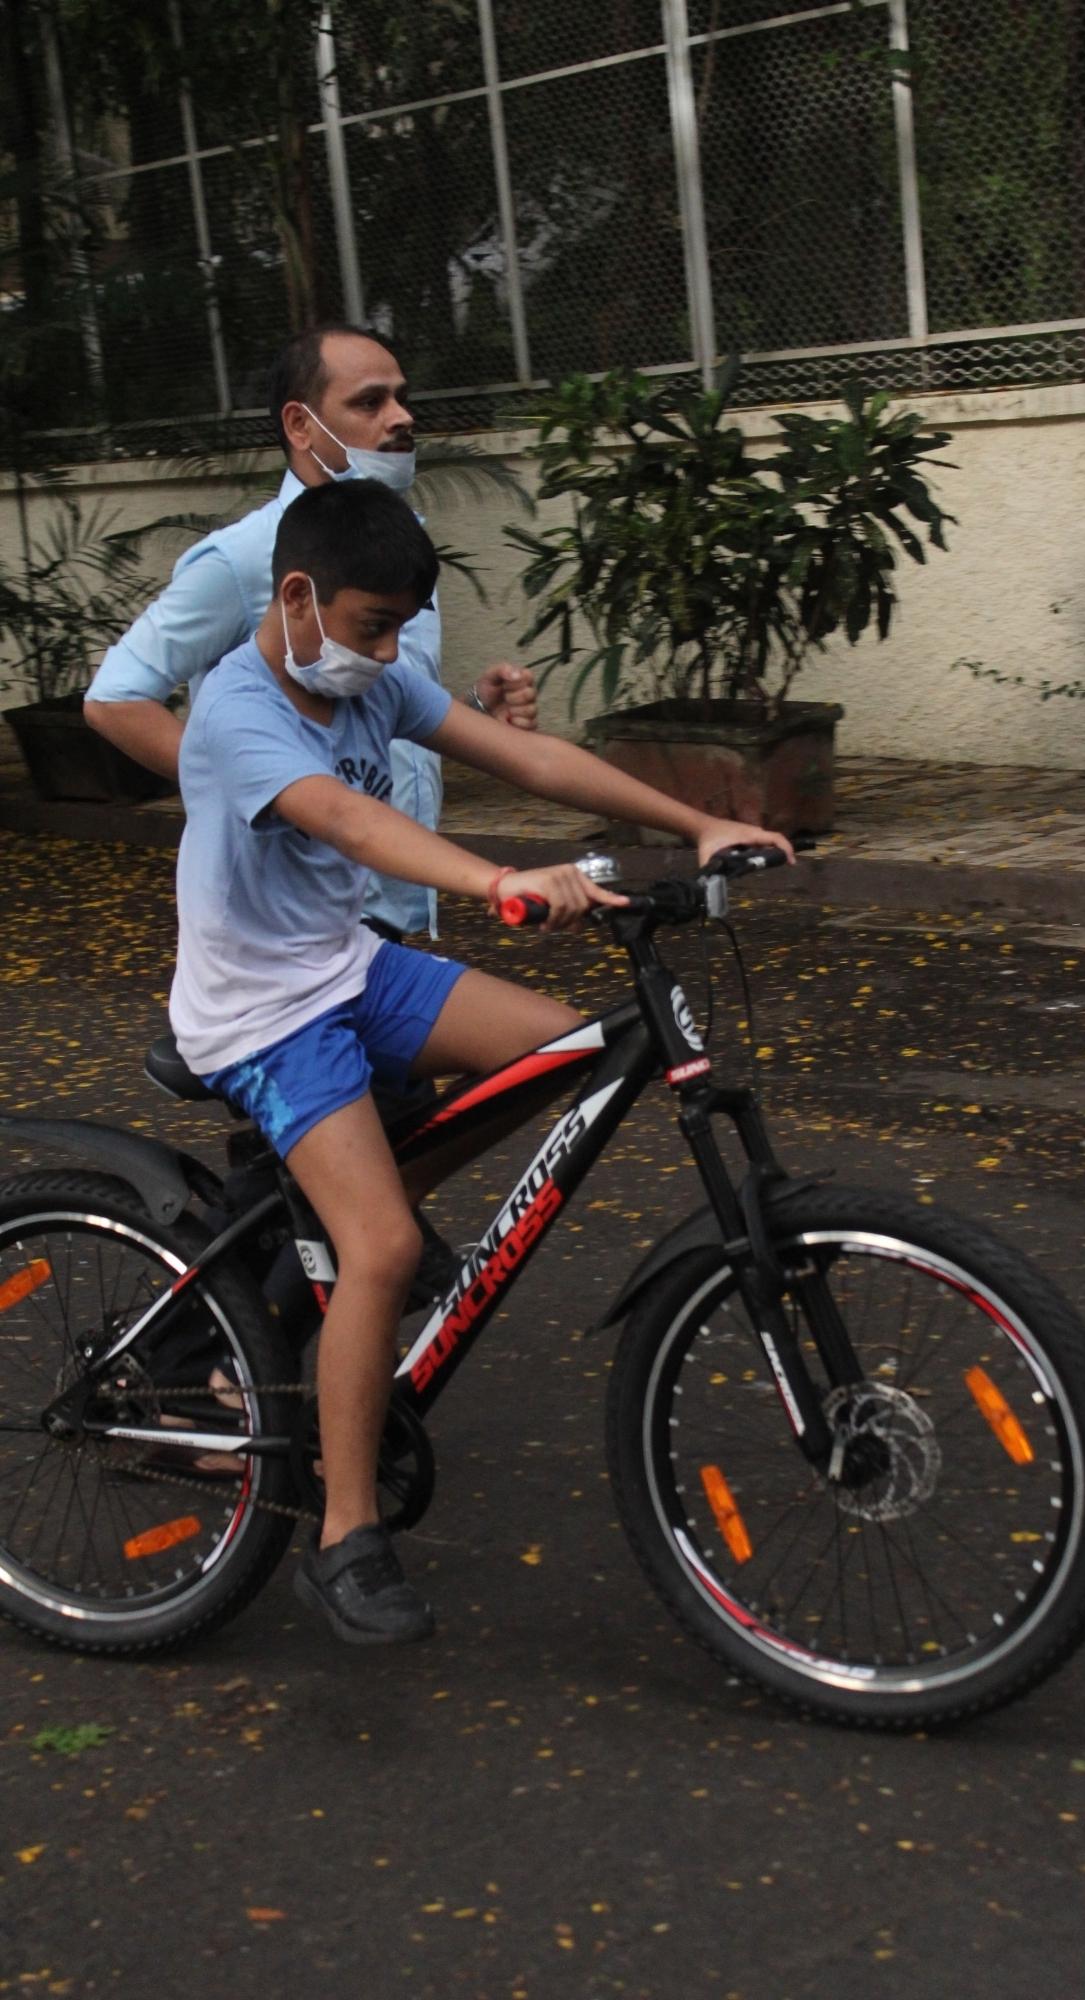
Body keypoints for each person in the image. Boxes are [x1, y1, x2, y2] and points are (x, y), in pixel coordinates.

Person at [169, 477, 794, 1647]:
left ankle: (349, 1205)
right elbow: (347, 820)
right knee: (383, 1246)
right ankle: (344, 1535)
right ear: (296, 597)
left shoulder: (366, 674)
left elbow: (533, 761)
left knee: (563, 1048)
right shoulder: (237, 710)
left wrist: (694, 823)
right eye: (371, 626)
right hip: (259, 1011)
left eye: (399, 630)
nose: (387, 654)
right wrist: (495, 879)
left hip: (349, 964)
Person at [85, 321, 536, 938]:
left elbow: (370, 712)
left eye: (402, 399)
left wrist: (472, 709)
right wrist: (265, 787)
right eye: (370, 402)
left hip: (392, 892)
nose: (402, 417)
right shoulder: (244, 556)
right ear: (300, 425)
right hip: (297, 906)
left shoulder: (395, 544)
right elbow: (114, 698)